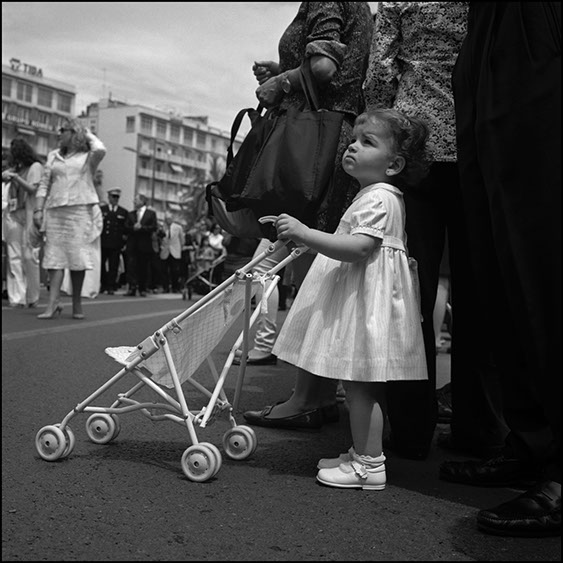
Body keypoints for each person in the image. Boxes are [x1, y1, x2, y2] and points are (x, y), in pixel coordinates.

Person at [438, 2, 561, 537]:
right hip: (490, 41)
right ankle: (532, 444)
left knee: (544, 260)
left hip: (538, 31)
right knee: (499, 269)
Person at [271, 108, 429, 489]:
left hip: (368, 306)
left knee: (361, 388)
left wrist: (307, 235)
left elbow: (359, 248)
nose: (353, 147)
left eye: (367, 142)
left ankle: (369, 465)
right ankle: (362, 453)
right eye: (354, 140)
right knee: (360, 387)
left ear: (394, 164)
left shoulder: (379, 198)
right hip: (365, 301)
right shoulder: (375, 194)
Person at [232, 2, 374, 370]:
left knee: (287, 258)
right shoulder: (360, 6)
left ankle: (303, 380)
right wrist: (285, 70)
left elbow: (324, 68)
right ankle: (324, 378)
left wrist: (281, 82)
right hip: (335, 136)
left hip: (314, 145)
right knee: (317, 259)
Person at [33, 119, 106, 320]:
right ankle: (52, 304)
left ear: (74, 133)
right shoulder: (52, 156)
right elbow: (44, 184)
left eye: (63, 131)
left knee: (77, 259)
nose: (59, 134)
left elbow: (101, 149)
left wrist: (86, 132)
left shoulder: (87, 157)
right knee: (54, 259)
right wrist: (38, 210)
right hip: (55, 210)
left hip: (79, 211)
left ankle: (76, 303)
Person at [2, 138, 43, 308]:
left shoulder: (35, 167)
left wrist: (16, 178)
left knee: (29, 255)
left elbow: (33, 189)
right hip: (13, 213)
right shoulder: (15, 169)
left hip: (29, 213)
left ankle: (32, 295)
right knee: (14, 256)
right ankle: (16, 297)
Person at [124, 193, 158, 297]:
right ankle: (132, 287)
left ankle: (142, 288)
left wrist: (142, 227)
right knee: (131, 266)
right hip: (132, 244)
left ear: (142, 201)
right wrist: (133, 227)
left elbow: (153, 227)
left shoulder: (151, 214)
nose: (134, 201)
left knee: (143, 267)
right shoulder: (130, 214)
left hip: (145, 245)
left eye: (136, 199)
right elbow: (125, 226)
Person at [100, 188, 128, 295]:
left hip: (116, 243)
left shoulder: (123, 212)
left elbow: (124, 229)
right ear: (109, 197)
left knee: (114, 266)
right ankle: (103, 284)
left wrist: (123, 243)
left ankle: (111, 285)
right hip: (103, 241)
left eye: (117, 197)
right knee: (102, 264)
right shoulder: (102, 209)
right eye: (113, 197)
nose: (115, 199)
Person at [159, 211, 184, 293]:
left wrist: (180, 248)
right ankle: (165, 287)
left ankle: (175, 287)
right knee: (164, 270)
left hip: (175, 251)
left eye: (169, 218)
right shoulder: (162, 227)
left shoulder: (178, 227)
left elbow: (182, 240)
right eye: (166, 219)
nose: (168, 220)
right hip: (165, 251)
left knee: (175, 271)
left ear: (172, 219)